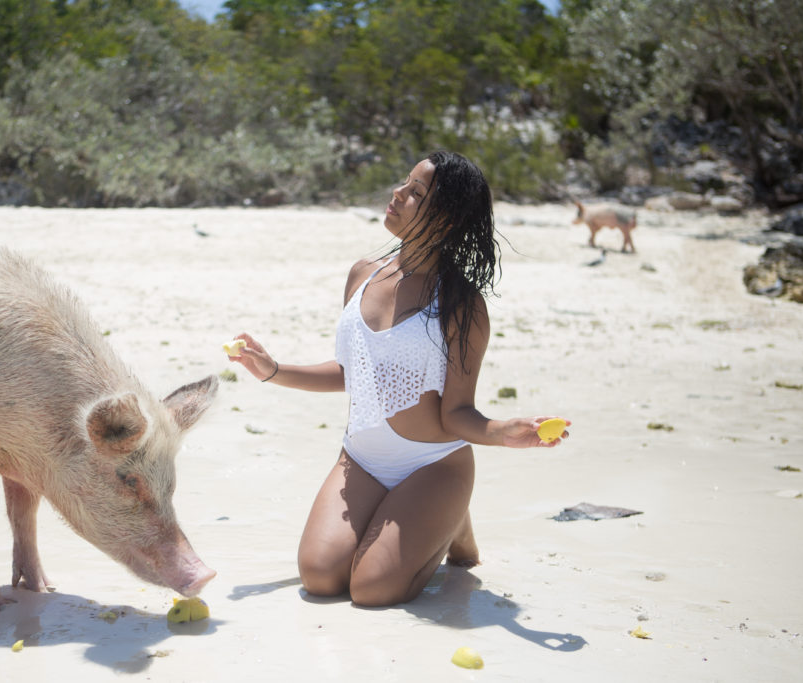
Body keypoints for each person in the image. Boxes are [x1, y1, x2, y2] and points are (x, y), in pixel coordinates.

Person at [228, 150, 570, 607]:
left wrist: (503, 432)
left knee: (372, 591)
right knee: (321, 578)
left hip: (433, 465)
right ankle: (444, 519)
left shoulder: (460, 305)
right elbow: (356, 373)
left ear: (446, 220)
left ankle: (449, 513)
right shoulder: (362, 274)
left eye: (415, 193)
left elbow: (457, 413)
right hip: (362, 460)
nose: (398, 194)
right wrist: (273, 371)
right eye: (404, 183)